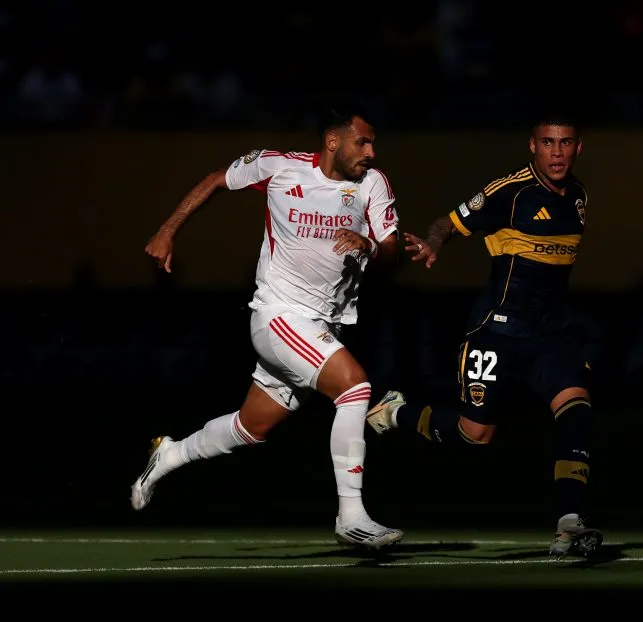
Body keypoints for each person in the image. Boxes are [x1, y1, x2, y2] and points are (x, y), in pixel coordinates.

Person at [130, 105, 405, 550]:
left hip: (321, 325)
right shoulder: (279, 167)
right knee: (354, 389)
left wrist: (371, 245)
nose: (372, 152)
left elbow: (392, 253)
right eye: (363, 142)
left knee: (250, 427)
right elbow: (217, 179)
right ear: (333, 142)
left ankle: (170, 454)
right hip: (278, 315)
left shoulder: (373, 184)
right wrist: (168, 230)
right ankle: (351, 516)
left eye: (373, 143)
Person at [366, 112, 602, 558]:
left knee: (577, 410)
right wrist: (435, 243)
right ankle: (395, 412)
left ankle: (569, 523)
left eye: (565, 143)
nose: (557, 152)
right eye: (548, 142)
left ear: (578, 147)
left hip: (552, 335)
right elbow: (447, 223)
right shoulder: (509, 192)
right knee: (475, 435)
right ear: (532, 146)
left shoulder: (577, 195)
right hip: (498, 334)